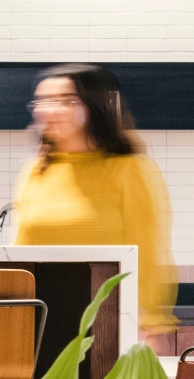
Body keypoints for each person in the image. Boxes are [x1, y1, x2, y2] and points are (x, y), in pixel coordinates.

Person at [13, 65, 177, 347]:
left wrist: (153, 325)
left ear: (95, 107)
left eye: (65, 100)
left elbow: (148, 250)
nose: (49, 110)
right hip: (41, 322)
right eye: (42, 101)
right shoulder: (35, 171)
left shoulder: (129, 169)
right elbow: (20, 252)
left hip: (110, 323)